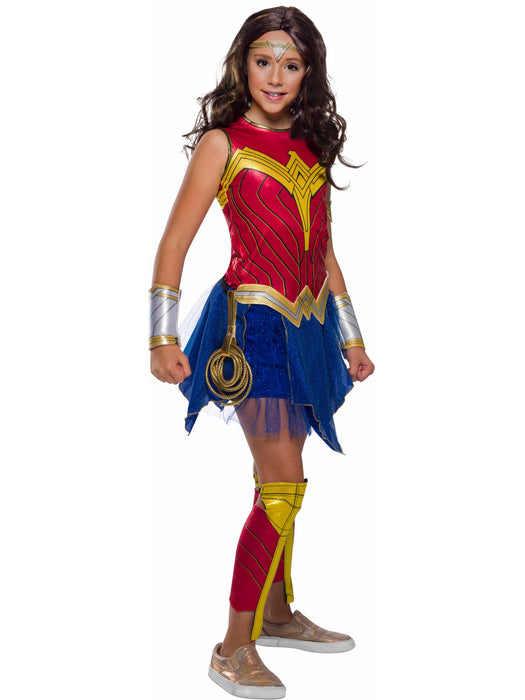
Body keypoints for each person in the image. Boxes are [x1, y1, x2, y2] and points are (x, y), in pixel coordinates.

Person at [149, 6, 374, 698]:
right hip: (250, 329)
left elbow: (323, 250)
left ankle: (276, 613)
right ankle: (231, 647)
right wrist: (160, 336)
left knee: (281, 482)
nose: (275, 76)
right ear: (242, 63)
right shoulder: (222, 144)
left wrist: (351, 335)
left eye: (291, 64)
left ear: (308, 73)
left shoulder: (310, 145)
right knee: (282, 482)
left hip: (308, 329)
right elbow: (174, 241)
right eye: (263, 60)